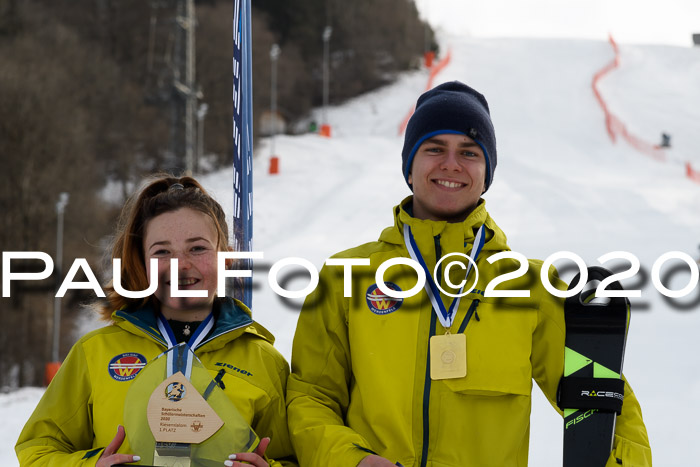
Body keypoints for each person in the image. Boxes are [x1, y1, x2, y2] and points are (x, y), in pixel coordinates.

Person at [286, 81, 651, 466]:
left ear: (486, 172)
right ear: (410, 167)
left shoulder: (531, 289)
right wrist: (351, 461)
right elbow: (311, 396)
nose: (450, 164)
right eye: (434, 149)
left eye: (469, 152)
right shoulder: (347, 278)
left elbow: (603, 400)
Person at [16, 175, 296, 467]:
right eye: (162, 252)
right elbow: (37, 449)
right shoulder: (94, 353)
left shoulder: (265, 362)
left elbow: (294, 458)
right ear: (143, 262)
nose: (181, 265)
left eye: (197, 248)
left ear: (224, 257)